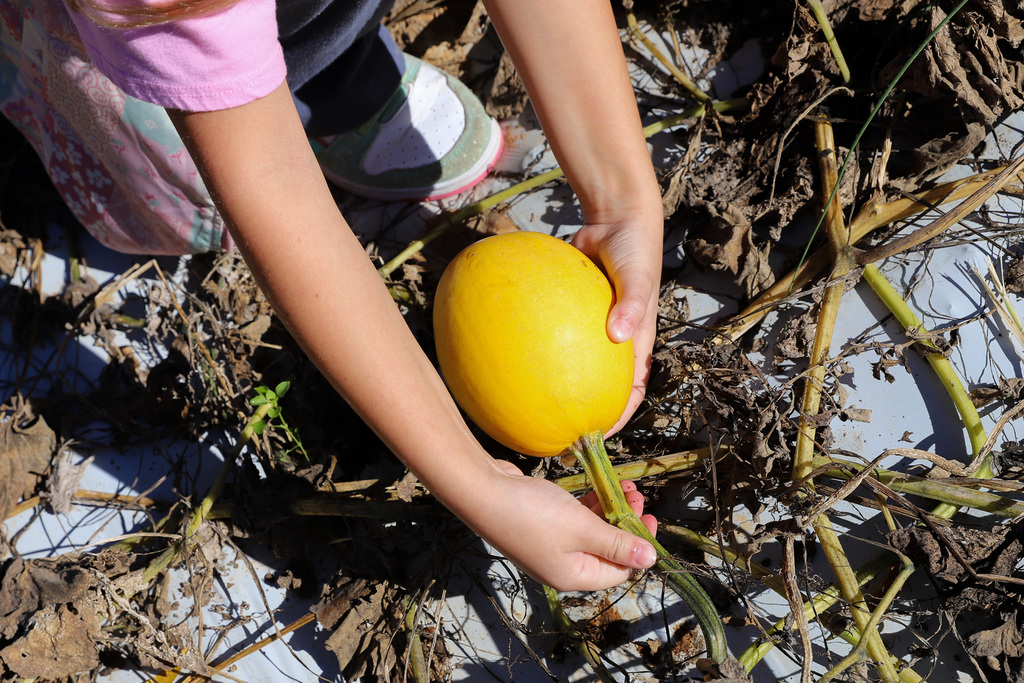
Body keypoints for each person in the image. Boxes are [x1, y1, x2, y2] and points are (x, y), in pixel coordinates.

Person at [1, 0, 667, 592]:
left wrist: (621, 199)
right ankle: (180, 106)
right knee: (178, 161)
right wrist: (477, 481)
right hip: (144, 28)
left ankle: (325, 77)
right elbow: (271, 184)